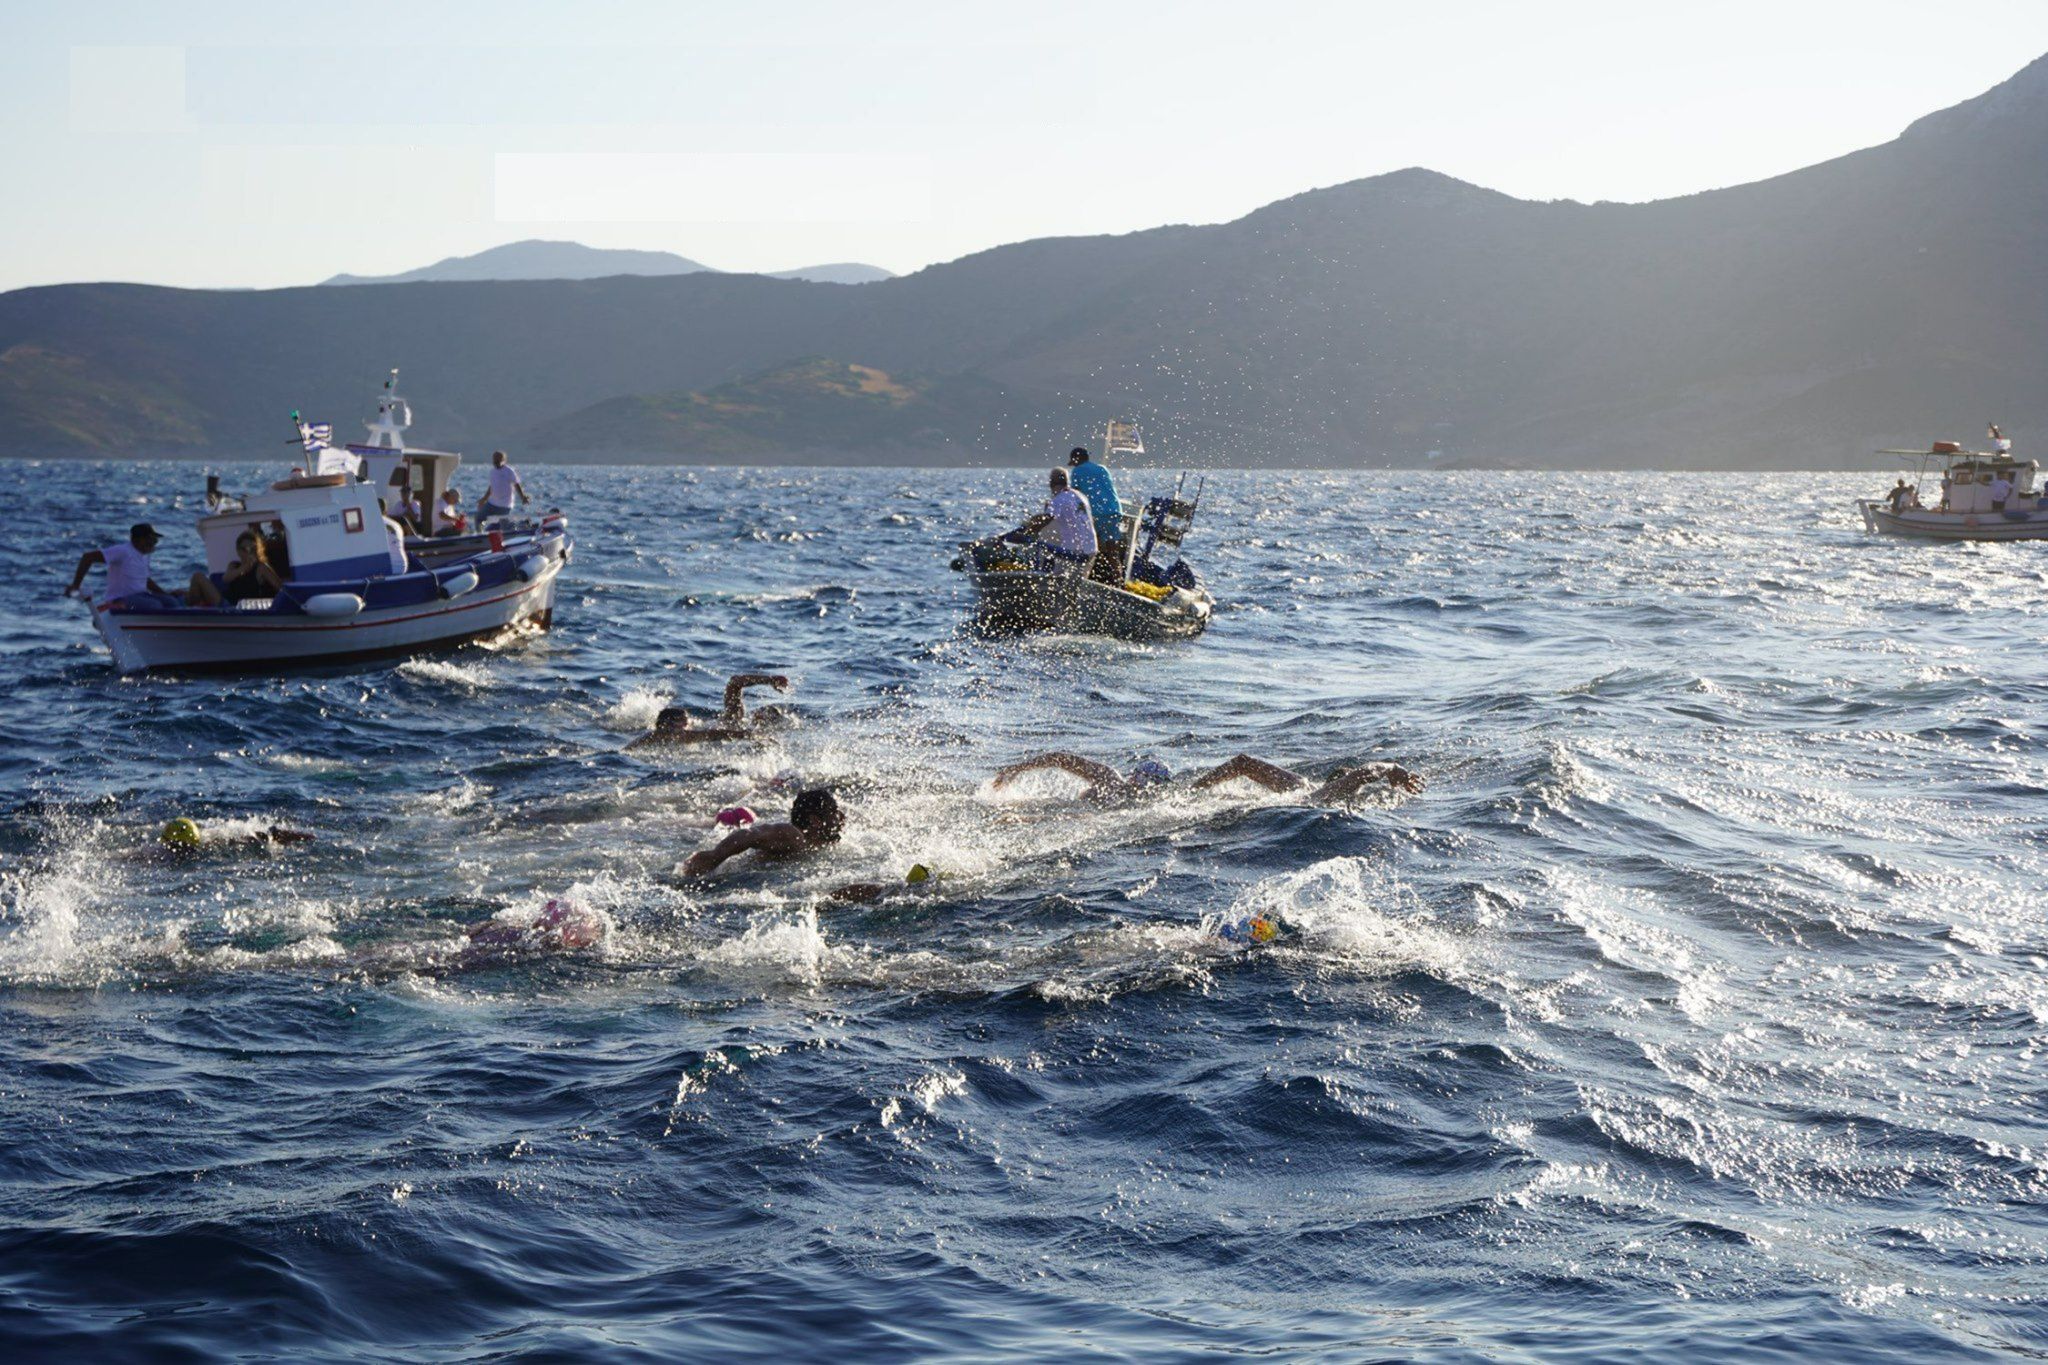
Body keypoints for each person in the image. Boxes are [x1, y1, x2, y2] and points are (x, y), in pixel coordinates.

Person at [990, 750, 1424, 806]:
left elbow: (1241, 762)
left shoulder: (1110, 782)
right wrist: (1392, 771)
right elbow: (1366, 772)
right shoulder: (1312, 792)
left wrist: (1013, 770)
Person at [682, 788, 845, 876]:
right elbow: (750, 834)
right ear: (815, 821)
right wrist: (714, 856)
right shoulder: (794, 836)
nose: (842, 817)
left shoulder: (814, 844)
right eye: (835, 812)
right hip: (725, 878)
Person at [627, 674, 794, 749]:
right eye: (760, 711)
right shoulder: (733, 719)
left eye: (763, 714)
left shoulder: (734, 723)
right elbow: (735, 682)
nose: (758, 713)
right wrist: (769, 679)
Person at [65, 523, 185, 609]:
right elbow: (88, 557)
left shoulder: (144, 555)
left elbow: (145, 580)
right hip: (121, 598)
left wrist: (166, 593)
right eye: (149, 540)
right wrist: (76, 585)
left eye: (154, 540)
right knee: (154, 605)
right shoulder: (122, 551)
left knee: (173, 602)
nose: (153, 543)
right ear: (137, 540)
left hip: (141, 595)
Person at [1011, 468, 1096, 576]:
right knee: (1077, 583)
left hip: (1074, 552)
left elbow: (1044, 521)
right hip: (1091, 548)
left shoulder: (1058, 499)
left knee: (1057, 580)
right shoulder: (1080, 496)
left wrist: (1026, 534)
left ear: (1051, 484)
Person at [185, 529, 284, 606]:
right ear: (238, 551)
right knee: (196, 578)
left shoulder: (261, 568)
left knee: (198, 577)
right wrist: (243, 568)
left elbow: (281, 588)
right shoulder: (234, 565)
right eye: (245, 549)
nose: (249, 552)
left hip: (235, 607)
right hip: (225, 600)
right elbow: (226, 578)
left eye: (253, 549)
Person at [1066, 446, 1124, 552]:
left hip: (1097, 514)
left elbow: (1075, 495)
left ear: (1076, 459)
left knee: (1092, 548)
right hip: (1114, 511)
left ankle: (1091, 567)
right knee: (1112, 550)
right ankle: (1117, 568)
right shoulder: (1102, 469)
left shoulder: (1077, 471)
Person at [477, 450, 531, 523]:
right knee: (478, 518)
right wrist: (484, 499)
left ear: (503, 460)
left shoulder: (509, 471)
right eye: (495, 459)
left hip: (504, 505)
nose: (496, 461)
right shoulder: (492, 472)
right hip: (492, 504)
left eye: (499, 459)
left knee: (499, 525)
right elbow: (491, 487)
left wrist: (523, 497)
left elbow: (517, 484)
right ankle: (481, 533)